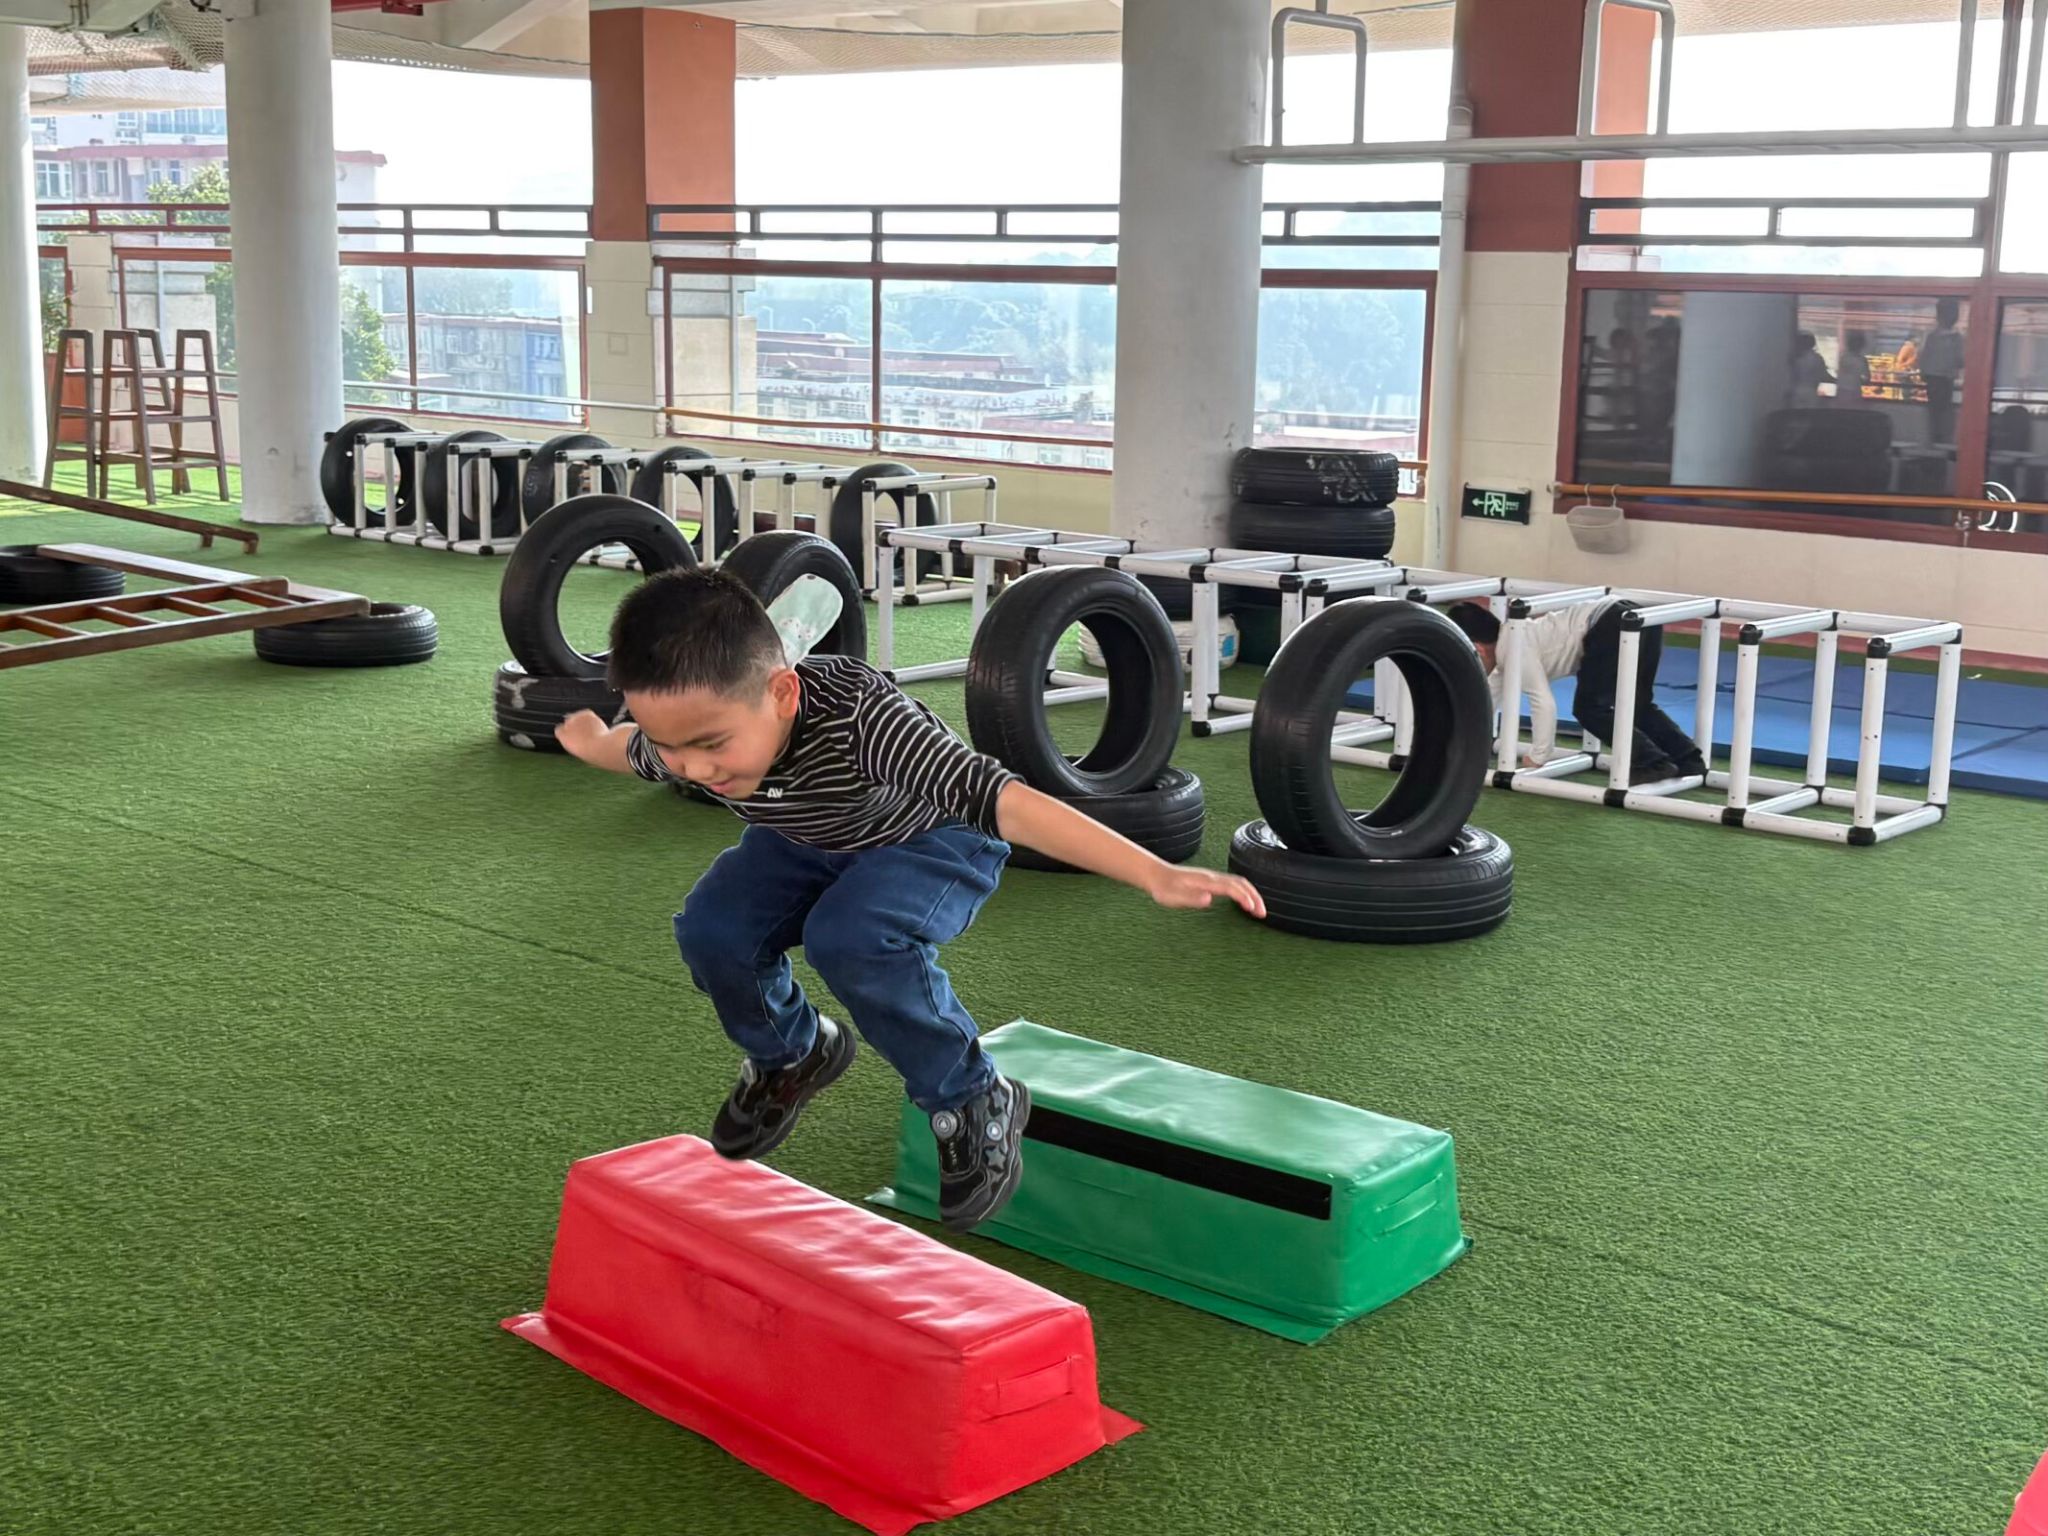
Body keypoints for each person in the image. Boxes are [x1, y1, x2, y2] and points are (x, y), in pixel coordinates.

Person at [556, 566, 1264, 1233]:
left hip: (932, 836)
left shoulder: (865, 721)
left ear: (783, 695)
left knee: (851, 938)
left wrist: (1152, 873)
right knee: (713, 930)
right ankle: (794, 1052)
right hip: (808, 837)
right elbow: (635, 750)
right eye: (674, 749)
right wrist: (595, 742)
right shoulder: (687, 737)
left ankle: (974, 1096)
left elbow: (1006, 803)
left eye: (711, 745)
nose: (694, 769)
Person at [1447, 599, 1706, 786]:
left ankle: (1652, 762)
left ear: (1478, 649)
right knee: (1639, 703)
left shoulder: (1513, 649)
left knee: (1589, 709)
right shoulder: (1510, 642)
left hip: (1609, 623)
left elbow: (1543, 703)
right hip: (1637, 617)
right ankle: (1688, 759)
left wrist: (1538, 756)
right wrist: (1462, 748)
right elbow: (1485, 701)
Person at [1917, 298, 1966, 445]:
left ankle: (1936, 441)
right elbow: (1960, 361)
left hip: (1934, 380)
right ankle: (1940, 442)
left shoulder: (1932, 337)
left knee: (1936, 415)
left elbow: (1923, 360)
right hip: (1944, 381)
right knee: (1942, 415)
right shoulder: (1956, 339)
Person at [1788, 331, 1833, 403]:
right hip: (1811, 393)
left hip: (1796, 392)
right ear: (1813, 343)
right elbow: (1824, 376)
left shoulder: (1795, 357)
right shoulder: (1817, 358)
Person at [1834, 329, 1871, 407]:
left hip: (1841, 390)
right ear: (1861, 345)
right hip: (1854, 391)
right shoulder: (1862, 360)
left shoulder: (1843, 357)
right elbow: (1867, 379)